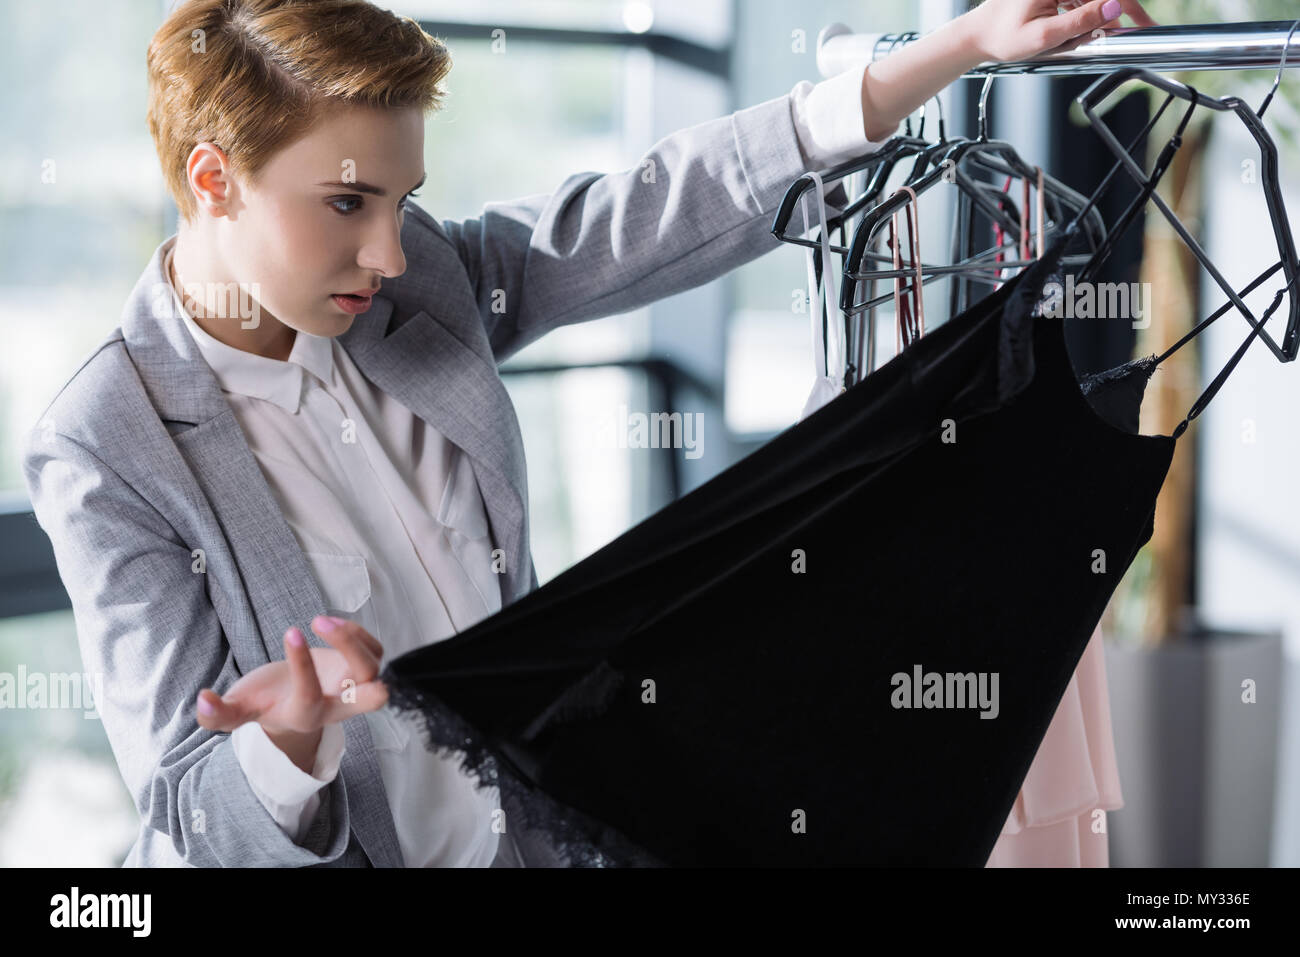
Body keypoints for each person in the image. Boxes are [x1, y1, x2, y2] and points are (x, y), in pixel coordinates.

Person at [23, 0, 1154, 867]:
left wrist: (953, 48)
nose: (393, 253)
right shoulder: (108, 442)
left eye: (402, 201)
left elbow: (648, 208)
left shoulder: (423, 289)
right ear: (212, 180)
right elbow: (186, 806)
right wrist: (286, 748)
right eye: (346, 204)